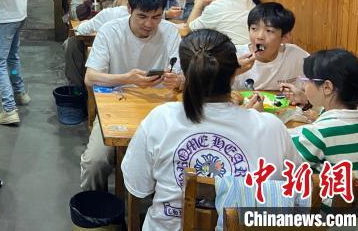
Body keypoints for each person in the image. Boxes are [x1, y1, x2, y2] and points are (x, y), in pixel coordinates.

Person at [121, 29, 301, 231]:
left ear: (185, 74)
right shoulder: (270, 127)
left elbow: (139, 186)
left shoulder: (161, 118)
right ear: (235, 74)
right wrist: (253, 118)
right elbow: (295, 187)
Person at [80, 0, 182, 191]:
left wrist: (179, 80)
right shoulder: (110, 31)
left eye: (156, 17)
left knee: (180, 158)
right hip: (116, 108)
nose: (149, 24)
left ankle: (159, 205)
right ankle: (98, 206)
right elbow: (90, 77)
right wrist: (127, 78)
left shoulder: (171, 32)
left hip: (161, 110)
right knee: (95, 163)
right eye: (142, 16)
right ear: (129, 9)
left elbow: (184, 78)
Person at [284, 49, 358, 198]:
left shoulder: (319, 133)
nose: (304, 86)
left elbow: (284, 163)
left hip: (332, 205)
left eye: (307, 80)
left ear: (327, 87)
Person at [64, 0, 141, 88]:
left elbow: (82, 29)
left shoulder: (110, 12)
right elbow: (74, 14)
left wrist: (85, 23)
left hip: (109, 77)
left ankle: (77, 90)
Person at [232, 2, 308, 91]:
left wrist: (304, 97)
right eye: (254, 29)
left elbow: (317, 86)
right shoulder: (234, 55)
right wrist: (232, 71)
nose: (259, 36)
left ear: (284, 37)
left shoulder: (297, 56)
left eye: (269, 30)